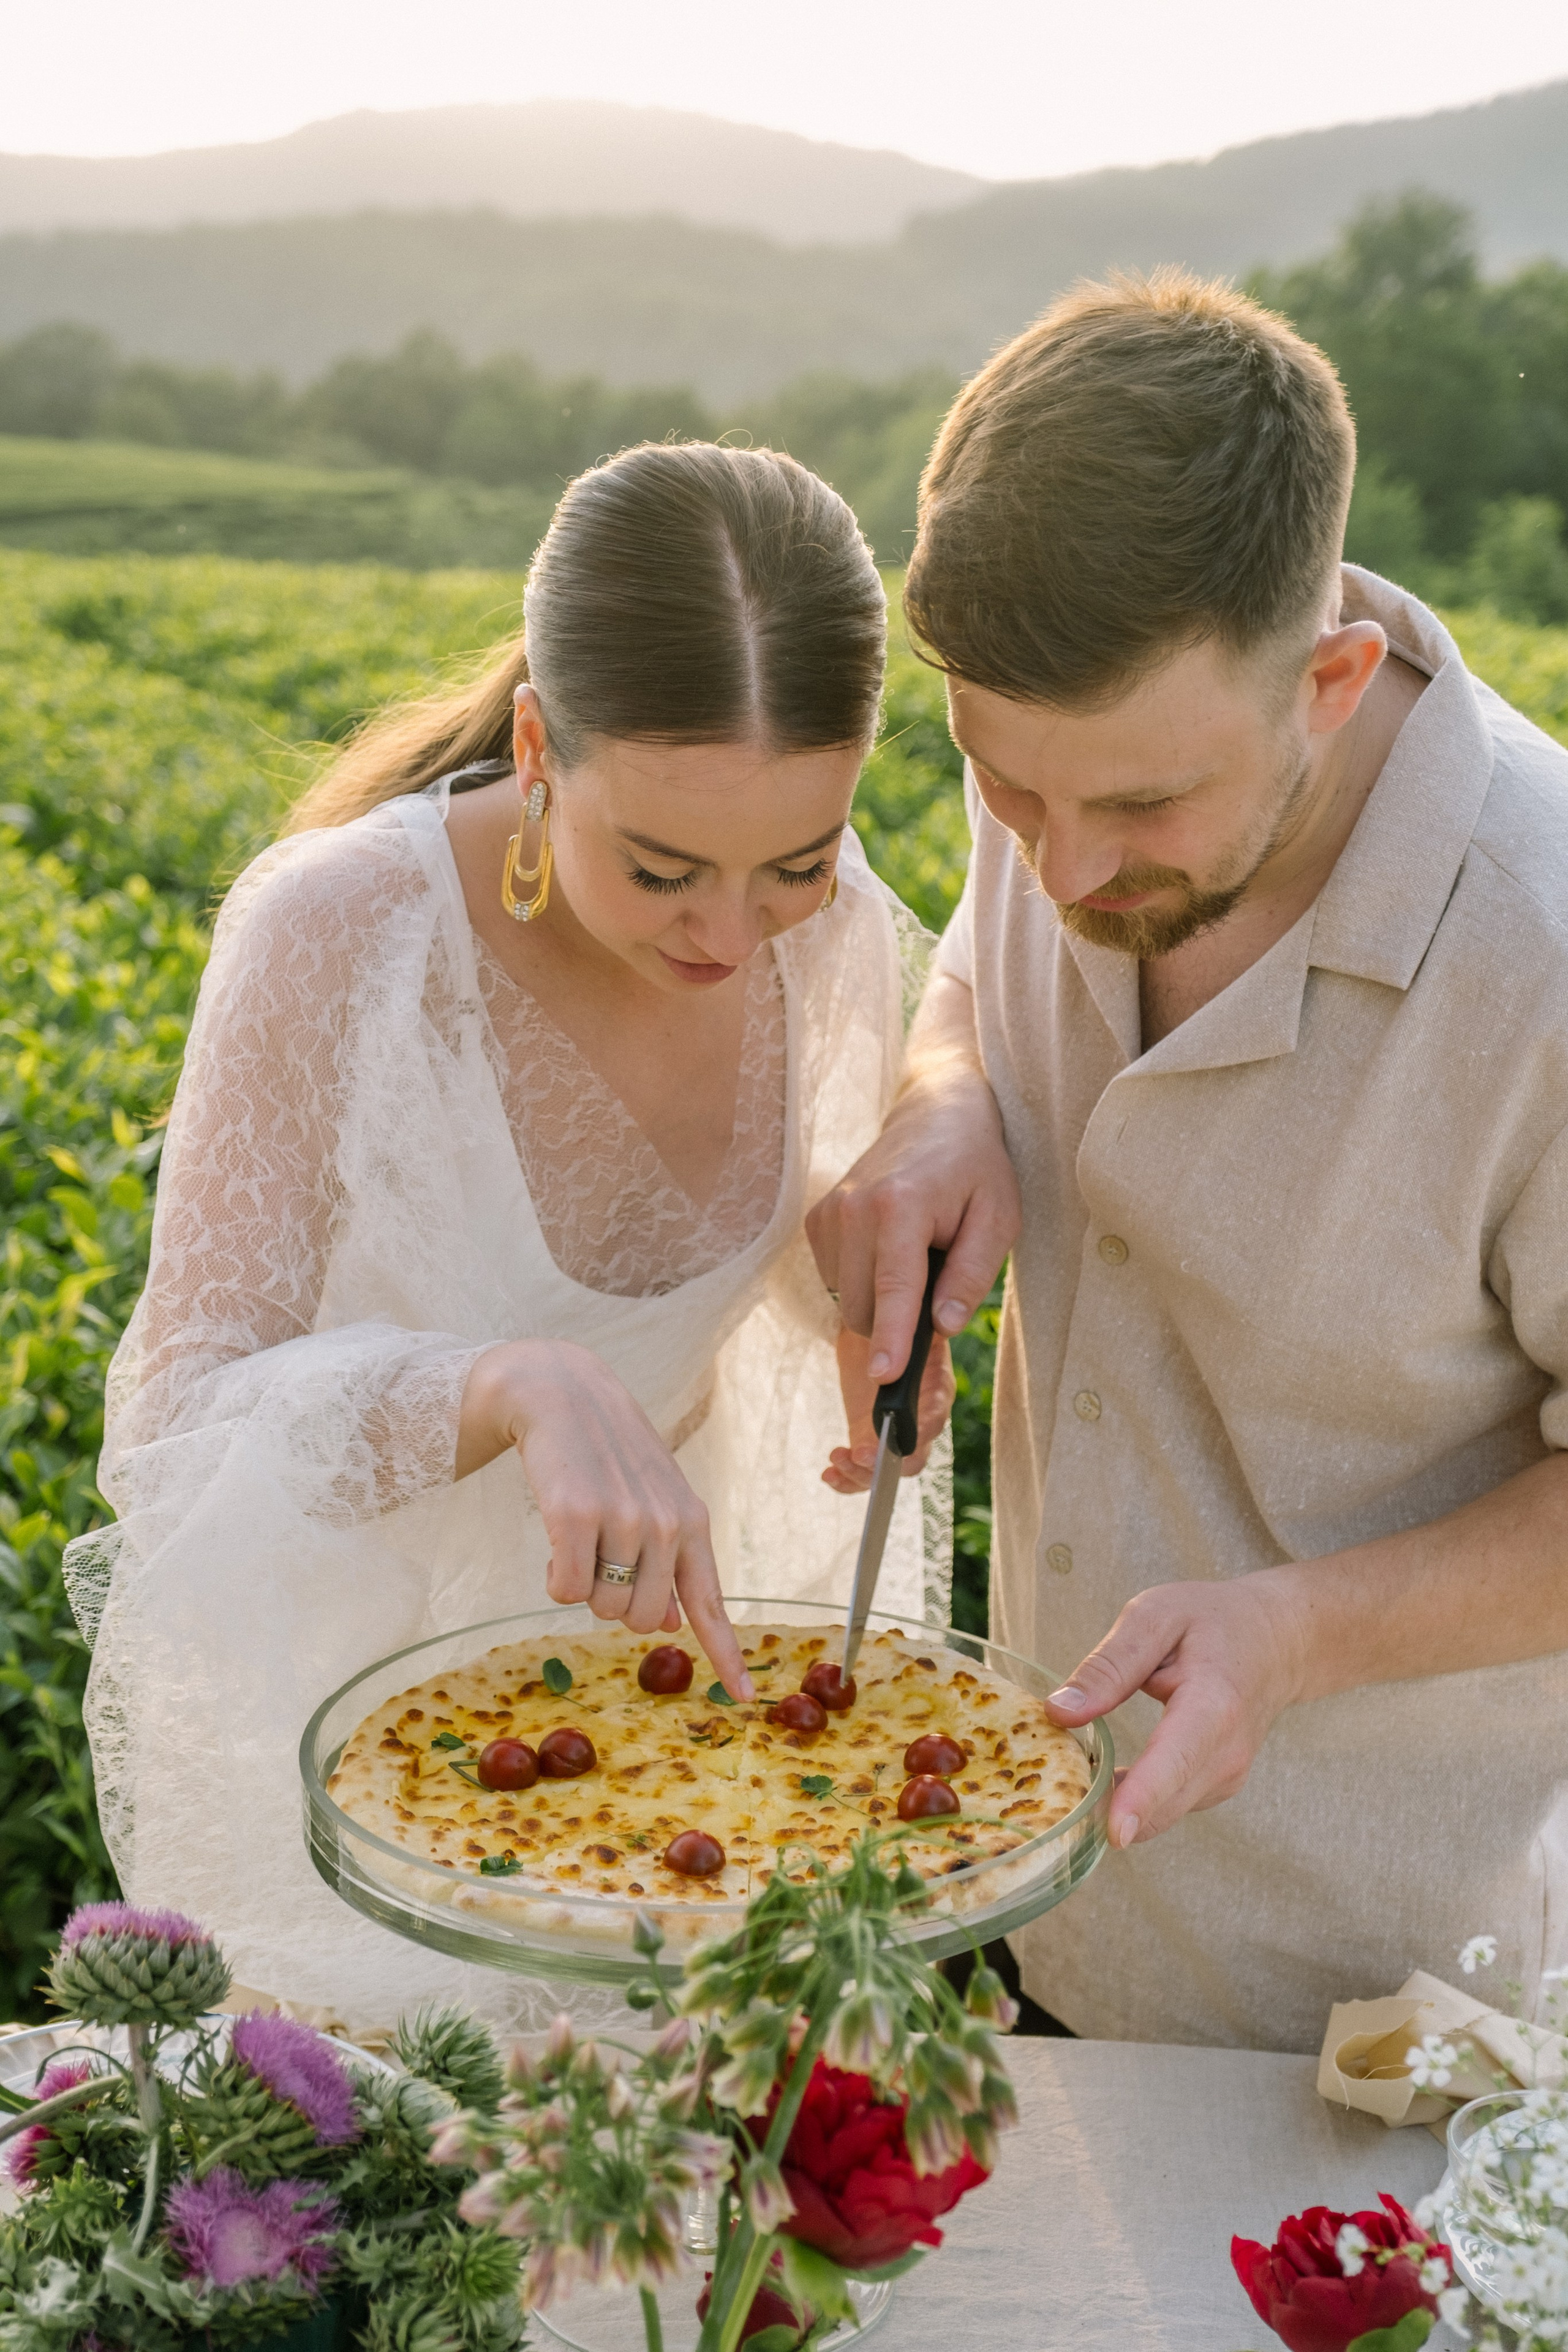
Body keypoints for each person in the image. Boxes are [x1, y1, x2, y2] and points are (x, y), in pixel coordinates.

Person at [67, 442, 951, 2030]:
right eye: (663, 869)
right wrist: (496, 1385)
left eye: (798, 863)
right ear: (538, 745)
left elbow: (827, 1196)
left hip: (686, 1742)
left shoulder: (825, 935)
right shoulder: (341, 931)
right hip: (378, 1758)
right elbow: (172, 1427)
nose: (731, 931)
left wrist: (871, 1276)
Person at [809, 271, 1568, 2054]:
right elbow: (977, 967)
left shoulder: (1541, 959)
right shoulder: (1080, 752)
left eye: (1143, 809)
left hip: (1382, 2010)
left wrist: (1298, 1630)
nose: (1066, 869)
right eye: (1008, 790)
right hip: (1041, 1904)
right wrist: (947, 1091)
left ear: (1333, 680)